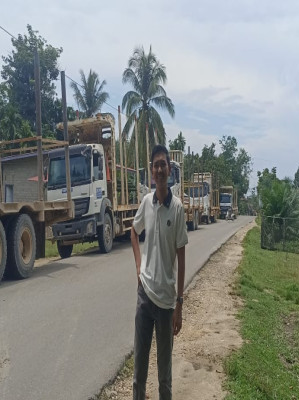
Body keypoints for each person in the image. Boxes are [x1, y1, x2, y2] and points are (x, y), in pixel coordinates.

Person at [130, 144, 188, 400]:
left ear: (169, 170)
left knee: (164, 377)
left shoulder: (177, 209)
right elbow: (134, 232)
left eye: (164, 164)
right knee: (138, 374)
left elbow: (181, 257)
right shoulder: (146, 203)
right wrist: (138, 267)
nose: (160, 169)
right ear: (152, 172)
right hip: (144, 297)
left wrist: (179, 304)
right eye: (156, 165)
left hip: (166, 304)